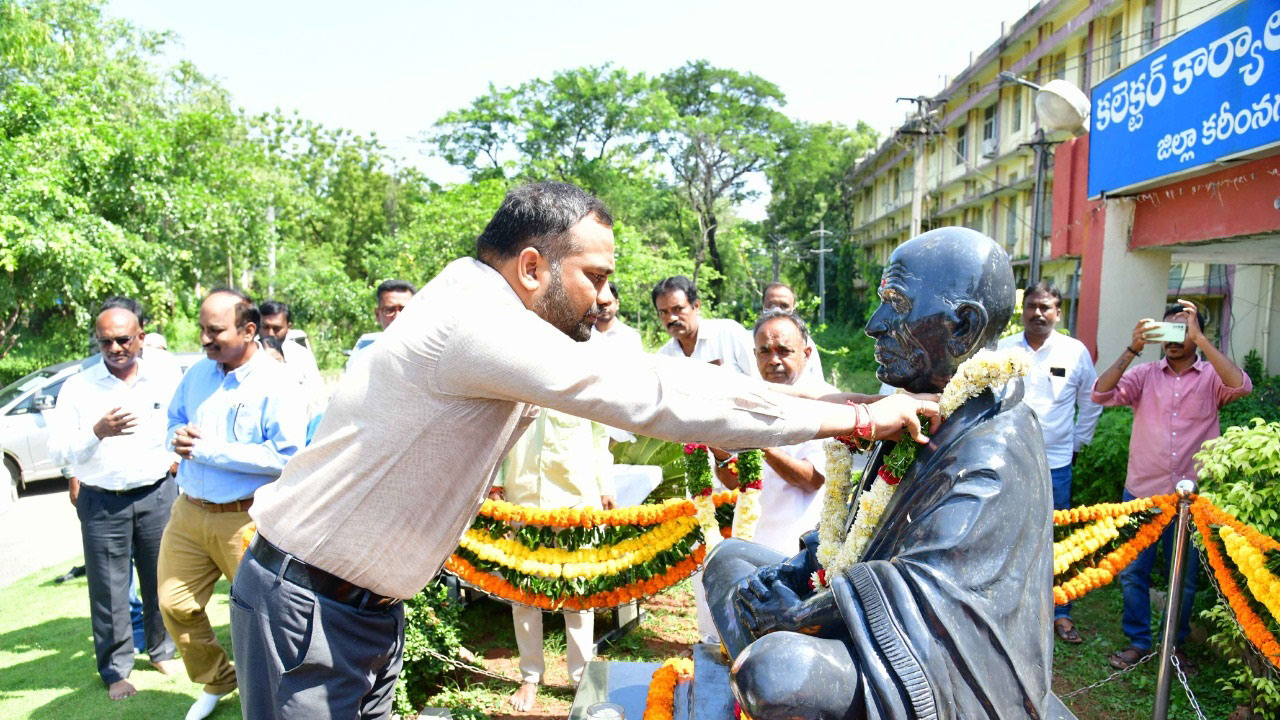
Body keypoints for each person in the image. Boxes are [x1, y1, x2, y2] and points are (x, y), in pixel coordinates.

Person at [229, 181, 936, 720]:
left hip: (356, 609)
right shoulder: (479, 324)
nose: (603, 299)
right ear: (532, 267)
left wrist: (853, 404)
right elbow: (653, 395)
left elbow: (676, 379)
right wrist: (860, 421)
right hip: (313, 606)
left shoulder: (487, 305)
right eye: (593, 277)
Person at [704, 226, 1073, 719]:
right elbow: (862, 530)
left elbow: (930, 592)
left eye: (896, 305)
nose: (875, 325)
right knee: (728, 561)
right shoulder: (919, 405)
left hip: (935, 662)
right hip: (865, 612)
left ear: (963, 327)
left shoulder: (995, 444)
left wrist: (798, 614)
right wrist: (795, 570)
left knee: (773, 672)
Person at [160, 289, 308, 720]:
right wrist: (176, 437)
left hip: (245, 518)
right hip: (189, 511)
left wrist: (208, 450)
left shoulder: (276, 382)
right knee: (174, 603)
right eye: (202, 329)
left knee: (260, 620)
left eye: (215, 331)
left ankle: (275, 701)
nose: (204, 339)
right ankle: (219, 678)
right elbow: (173, 419)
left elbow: (287, 456)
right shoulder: (197, 373)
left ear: (248, 330)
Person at [1092, 299, 1252, 671]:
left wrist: (1204, 341)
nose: (1173, 339)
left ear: (1196, 335)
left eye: (1182, 330)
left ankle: (1172, 646)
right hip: (1142, 494)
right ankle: (1138, 641)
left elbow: (1242, 386)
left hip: (1189, 501)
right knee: (1133, 572)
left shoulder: (1211, 377)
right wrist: (1133, 347)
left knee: (1183, 579)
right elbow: (1100, 393)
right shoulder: (1145, 374)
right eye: (1167, 330)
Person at [48, 296, 184, 700]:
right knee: (109, 589)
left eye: (123, 339)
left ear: (141, 336)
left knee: (161, 578)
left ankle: (162, 651)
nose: (114, 348)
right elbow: (58, 450)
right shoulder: (78, 386)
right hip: (103, 501)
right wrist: (96, 432)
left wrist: (176, 458)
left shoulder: (164, 375)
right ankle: (116, 670)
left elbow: (182, 420)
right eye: (105, 341)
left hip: (157, 493)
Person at [489, 407, 615, 710]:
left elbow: (599, 434)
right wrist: (496, 483)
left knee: (578, 592)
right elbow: (500, 428)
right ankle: (530, 677)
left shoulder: (582, 381)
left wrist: (606, 485)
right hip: (523, 497)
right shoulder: (517, 381)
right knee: (524, 594)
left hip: (577, 500)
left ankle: (581, 677)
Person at [997, 281, 1102, 644]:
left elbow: (1091, 400)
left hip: (1055, 463)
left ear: (1058, 313)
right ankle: (1009, 608)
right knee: (1008, 532)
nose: (1038, 313)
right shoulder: (1004, 350)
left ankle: (1060, 611)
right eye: (1032, 306)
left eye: (1046, 307)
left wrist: (1078, 442)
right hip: (1009, 459)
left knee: (1056, 537)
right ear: (1023, 310)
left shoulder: (1074, 352)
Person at [710, 309, 836, 555]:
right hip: (751, 541)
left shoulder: (825, 403)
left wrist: (761, 442)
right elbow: (734, 481)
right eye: (765, 351)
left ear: (806, 354)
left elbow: (812, 480)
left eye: (784, 351)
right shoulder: (747, 400)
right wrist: (718, 450)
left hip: (802, 548)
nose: (774, 360)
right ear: (755, 355)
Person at [653, 276, 756, 377]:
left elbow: (759, 379)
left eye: (678, 309)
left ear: (696, 306)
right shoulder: (663, 358)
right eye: (663, 312)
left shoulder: (729, 334)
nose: (671, 318)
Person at [258, 300, 324, 401]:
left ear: (288, 327)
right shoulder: (247, 354)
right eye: (265, 327)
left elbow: (317, 395)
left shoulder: (301, 355)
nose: (270, 333)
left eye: (277, 329)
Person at [761, 282, 824, 383]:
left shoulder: (804, 342)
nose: (777, 310)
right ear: (763, 307)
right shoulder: (746, 340)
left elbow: (817, 382)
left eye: (784, 306)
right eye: (771, 305)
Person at [347, 280, 417, 365]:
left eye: (404, 310)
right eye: (389, 310)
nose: (397, 316)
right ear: (377, 315)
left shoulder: (428, 352)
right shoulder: (364, 350)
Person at [591, 281, 643, 353]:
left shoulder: (631, 337)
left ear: (617, 304)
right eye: (600, 303)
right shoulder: (582, 335)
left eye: (608, 303)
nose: (604, 307)